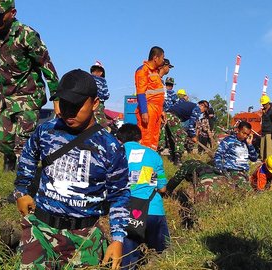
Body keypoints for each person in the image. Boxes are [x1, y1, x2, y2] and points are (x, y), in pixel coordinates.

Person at [14, 69, 130, 269]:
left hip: (84, 239)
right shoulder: (47, 131)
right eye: (64, 104)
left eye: (76, 106)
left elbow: (119, 195)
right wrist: (21, 191)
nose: (68, 112)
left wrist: (118, 238)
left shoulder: (110, 147)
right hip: (41, 230)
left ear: (94, 104)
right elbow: (28, 157)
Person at [0, 0, 60, 171]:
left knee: (23, 141)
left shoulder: (27, 34)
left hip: (30, 94)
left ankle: (24, 183)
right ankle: (28, 160)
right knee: (3, 141)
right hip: (8, 96)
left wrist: (56, 97)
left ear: (12, 13)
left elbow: (46, 64)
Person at [116, 124, 169, 269]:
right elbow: (162, 188)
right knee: (162, 255)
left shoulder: (115, 154)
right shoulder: (153, 155)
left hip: (127, 212)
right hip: (154, 210)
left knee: (128, 260)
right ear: (140, 139)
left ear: (119, 140)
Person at [166, 121, 258, 197]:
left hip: (244, 172)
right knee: (248, 193)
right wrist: (220, 168)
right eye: (243, 133)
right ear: (238, 130)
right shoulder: (229, 141)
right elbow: (219, 154)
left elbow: (254, 158)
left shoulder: (246, 143)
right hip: (233, 171)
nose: (245, 136)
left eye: (247, 134)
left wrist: (250, 145)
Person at [135, 46, 166, 150]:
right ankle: (143, 164)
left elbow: (158, 93)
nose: (163, 60)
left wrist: (162, 111)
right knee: (145, 138)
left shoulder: (155, 72)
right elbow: (140, 92)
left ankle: (151, 163)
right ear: (156, 58)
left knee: (154, 139)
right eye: (162, 58)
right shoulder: (142, 70)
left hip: (157, 110)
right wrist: (144, 111)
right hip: (149, 109)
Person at [161, 99, 202, 164]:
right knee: (181, 136)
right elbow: (191, 124)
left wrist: (190, 133)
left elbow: (187, 125)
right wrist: (193, 135)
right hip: (173, 117)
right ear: (202, 106)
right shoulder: (197, 108)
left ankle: (173, 158)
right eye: (204, 110)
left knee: (170, 138)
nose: (201, 113)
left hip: (166, 115)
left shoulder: (187, 105)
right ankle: (178, 160)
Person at [90, 61, 110, 128]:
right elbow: (106, 94)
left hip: (89, 101)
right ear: (101, 73)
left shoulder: (88, 78)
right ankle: (103, 130)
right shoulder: (102, 80)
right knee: (100, 119)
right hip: (99, 102)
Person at [260, 95, 272, 160]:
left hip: (269, 132)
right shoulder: (263, 110)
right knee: (262, 148)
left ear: (268, 103)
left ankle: (268, 161)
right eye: (262, 104)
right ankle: (263, 160)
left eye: (264, 104)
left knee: (268, 149)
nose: (263, 105)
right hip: (263, 132)